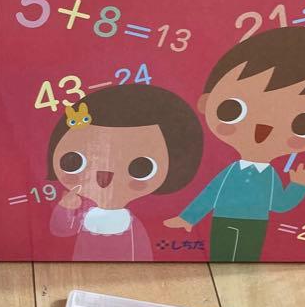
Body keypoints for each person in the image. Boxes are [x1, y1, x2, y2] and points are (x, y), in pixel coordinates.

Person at [165, 27, 305, 262]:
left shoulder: (268, 177)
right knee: (220, 252)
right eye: (233, 109)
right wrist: (188, 218)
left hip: (255, 224)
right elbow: (210, 194)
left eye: (304, 124)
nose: (263, 129)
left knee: (246, 256)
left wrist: (299, 185)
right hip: (222, 219)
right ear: (206, 102)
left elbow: (279, 205)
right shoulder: (232, 172)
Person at [47, 84, 202, 261]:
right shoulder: (84, 212)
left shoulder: (131, 226)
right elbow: (60, 231)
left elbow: (142, 255)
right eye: (75, 161)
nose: (105, 175)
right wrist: (66, 209)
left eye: (141, 167)